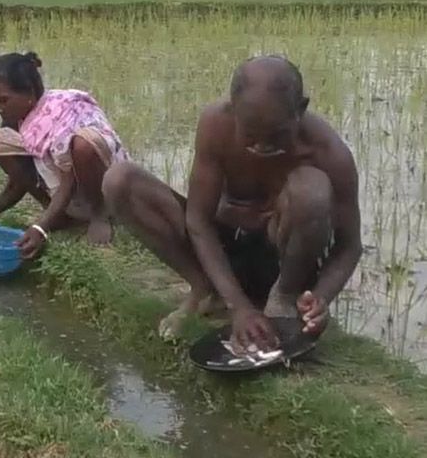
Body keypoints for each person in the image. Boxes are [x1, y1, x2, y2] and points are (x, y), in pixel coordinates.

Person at [103, 56, 362, 350]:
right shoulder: (216, 125)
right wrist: (238, 306)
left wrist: (320, 298)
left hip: (279, 260)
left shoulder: (329, 153)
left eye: (277, 135)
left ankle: (283, 300)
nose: (263, 147)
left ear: (300, 110)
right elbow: (198, 220)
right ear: (233, 109)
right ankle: (204, 290)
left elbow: (349, 245)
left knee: (312, 190)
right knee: (120, 180)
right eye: (250, 134)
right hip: (220, 247)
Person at [0, 52, 129, 259]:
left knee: (83, 145)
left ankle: (99, 215)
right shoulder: (22, 120)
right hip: (69, 192)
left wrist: (40, 227)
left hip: (107, 190)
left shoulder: (61, 112)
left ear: (28, 91)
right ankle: (58, 215)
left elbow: (69, 181)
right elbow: (17, 183)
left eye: (2, 101)